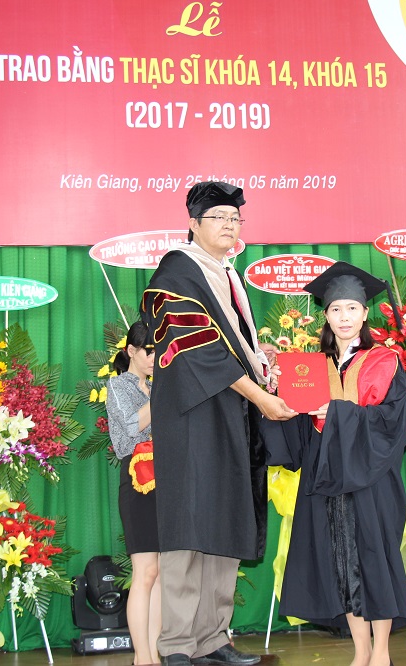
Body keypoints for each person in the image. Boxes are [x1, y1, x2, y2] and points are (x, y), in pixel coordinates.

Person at [140, 181, 295, 666]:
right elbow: (199, 348)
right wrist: (260, 397)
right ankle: (177, 644)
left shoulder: (227, 274)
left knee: (226, 519)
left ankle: (212, 638)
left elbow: (228, 343)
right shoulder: (178, 270)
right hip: (194, 416)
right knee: (190, 523)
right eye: (219, 217)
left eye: (235, 218)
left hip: (230, 413)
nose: (229, 225)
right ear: (193, 223)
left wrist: (259, 360)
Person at [260, 262, 406, 666]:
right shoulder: (312, 368)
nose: (344, 317)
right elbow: (296, 425)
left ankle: (381, 653)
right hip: (326, 476)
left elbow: (395, 423)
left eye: (351, 309)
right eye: (335, 310)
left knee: (375, 560)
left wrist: (342, 414)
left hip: (371, 478)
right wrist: (275, 391)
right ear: (325, 316)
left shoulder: (385, 361)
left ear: (365, 314)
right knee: (341, 563)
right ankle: (360, 653)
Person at [105, 321, 160, 665]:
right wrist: (164, 391)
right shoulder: (118, 385)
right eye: (148, 351)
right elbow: (130, 426)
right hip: (138, 475)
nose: (155, 358)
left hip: (168, 476)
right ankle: (142, 657)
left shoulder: (156, 385)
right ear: (131, 351)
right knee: (145, 571)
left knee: (163, 573)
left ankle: (155, 653)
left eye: (159, 351)